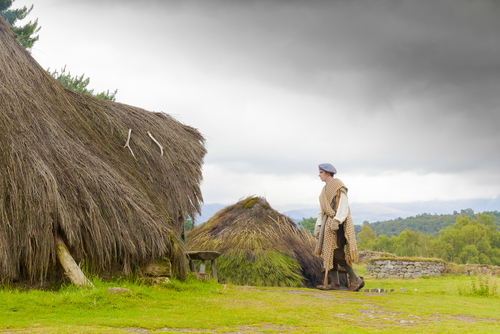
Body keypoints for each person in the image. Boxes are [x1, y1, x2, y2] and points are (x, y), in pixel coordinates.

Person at [314, 163, 364, 291]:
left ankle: (356, 279)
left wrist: (337, 221)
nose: (319, 175)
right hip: (327, 223)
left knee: (337, 253)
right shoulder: (324, 190)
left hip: (339, 226)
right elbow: (322, 210)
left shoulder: (339, 187)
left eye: (321, 172)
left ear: (328, 173)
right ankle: (335, 284)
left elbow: (343, 205)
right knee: (328, 253)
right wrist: (319, 225)